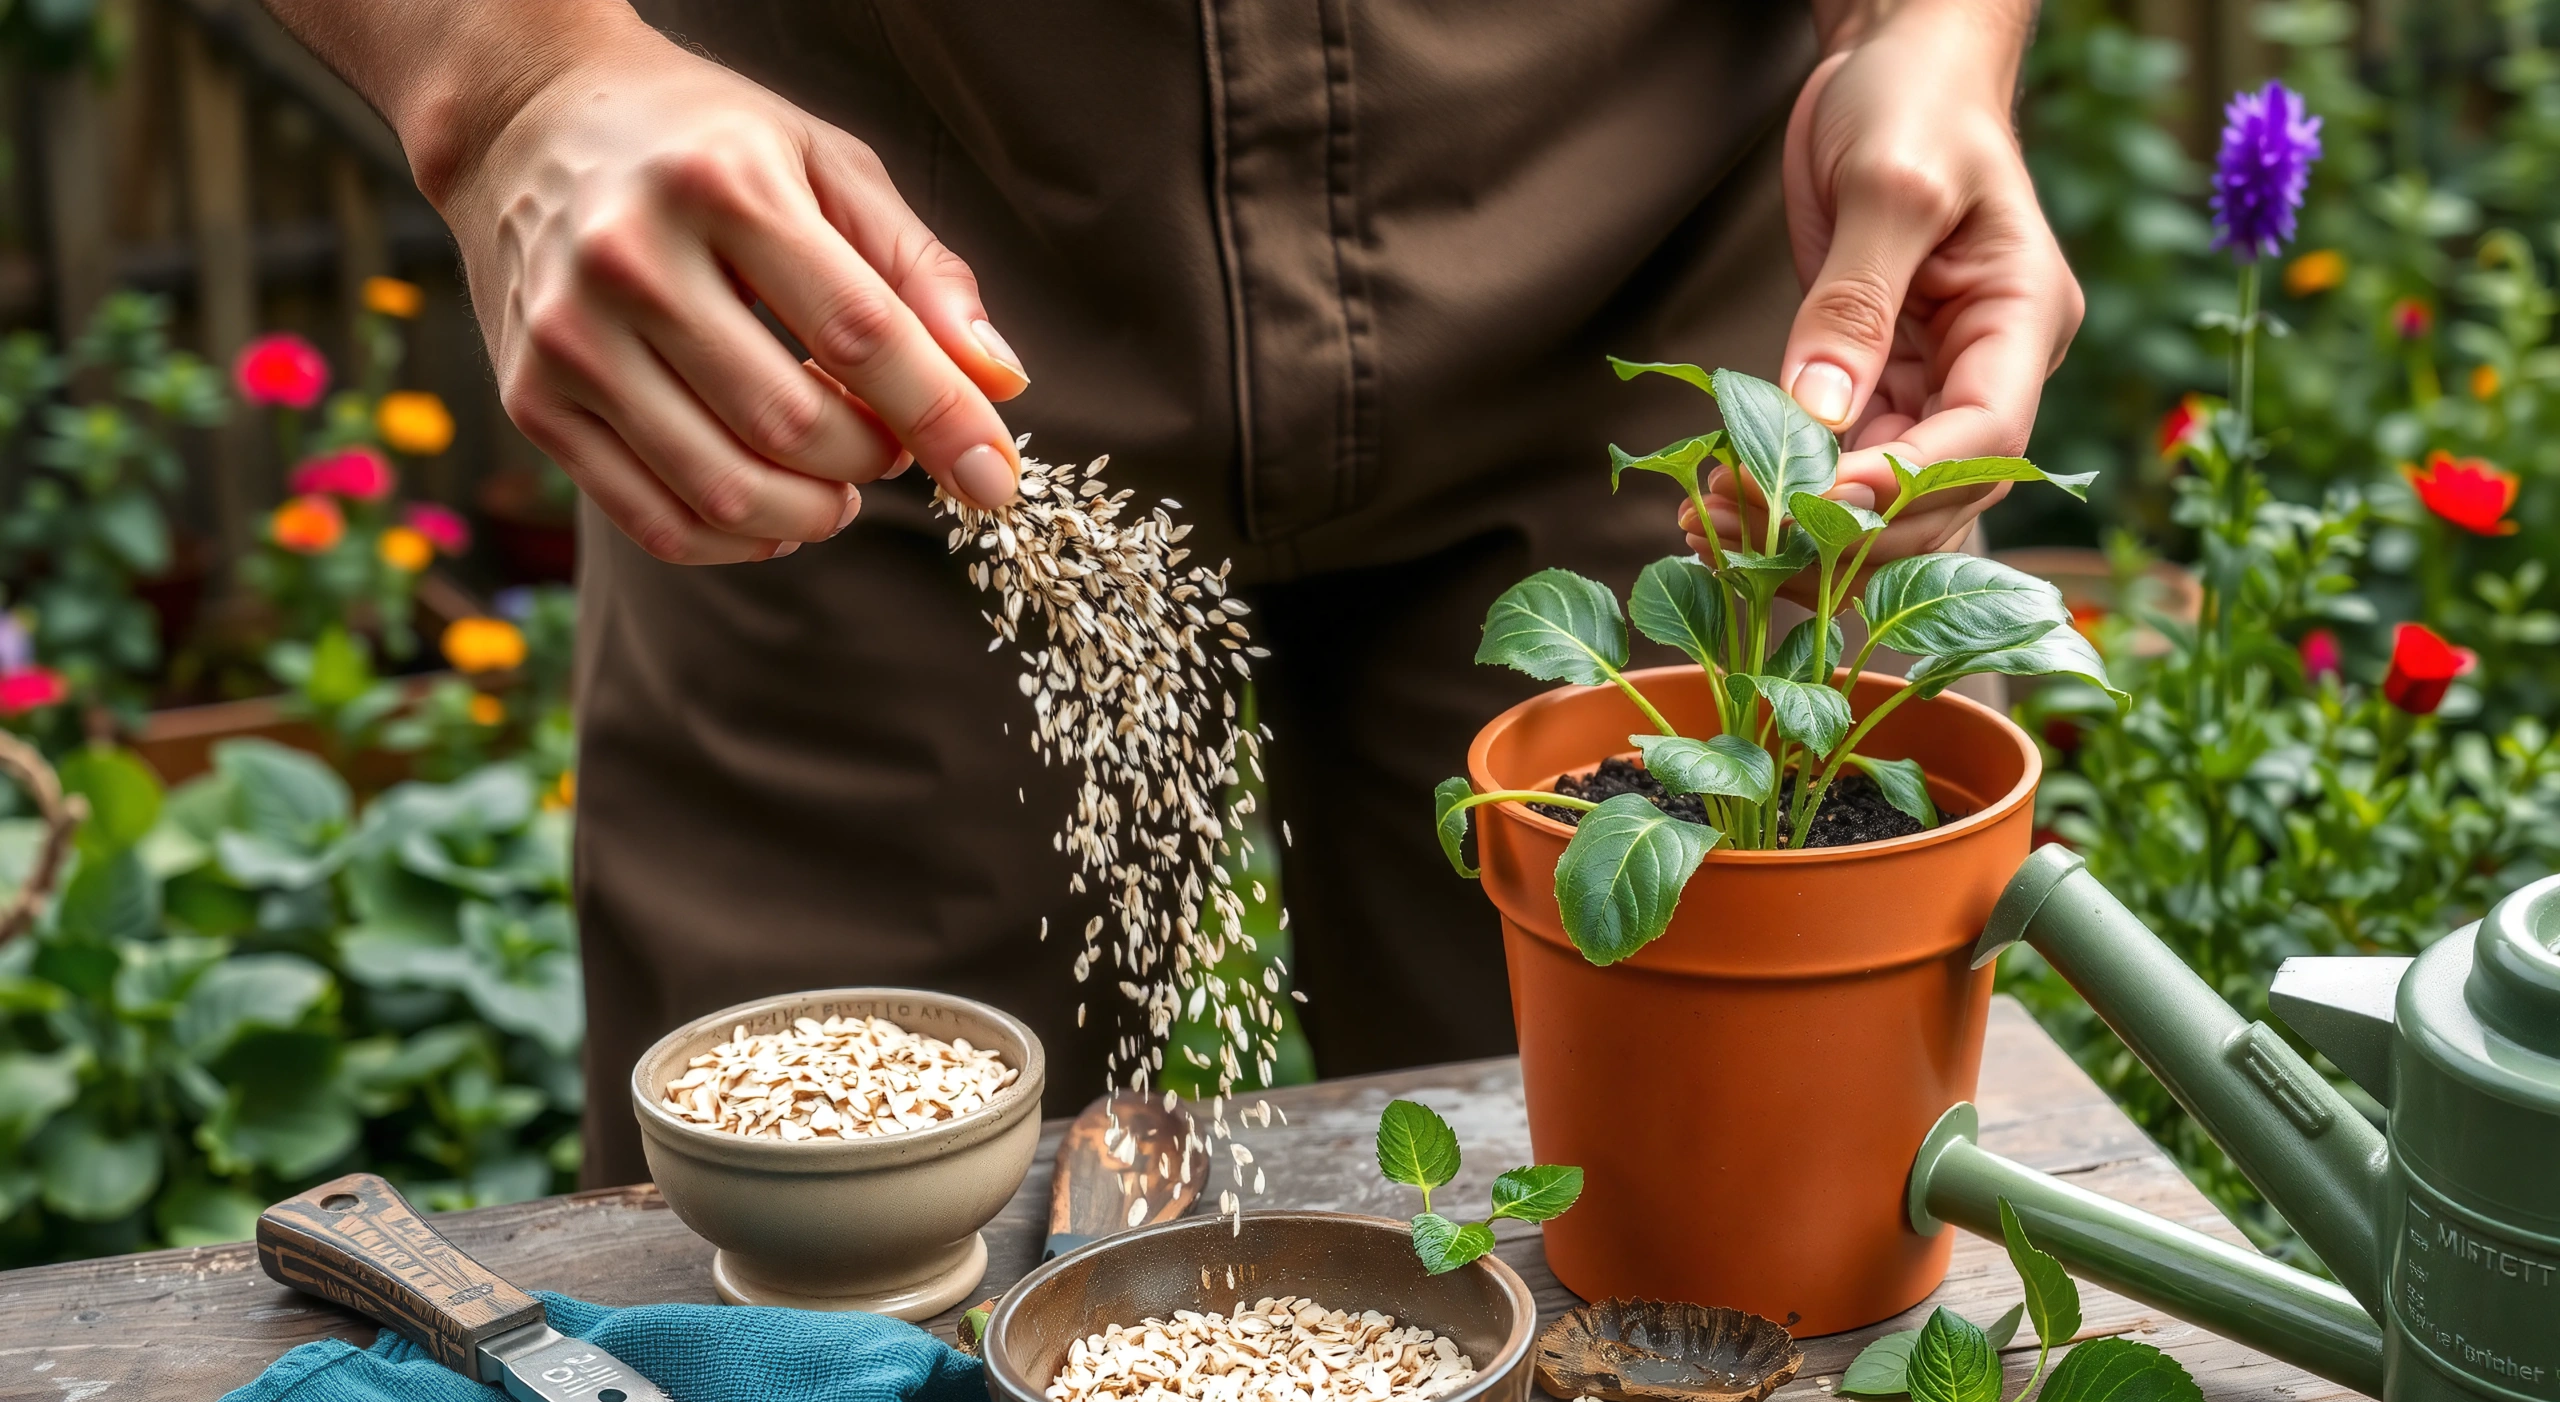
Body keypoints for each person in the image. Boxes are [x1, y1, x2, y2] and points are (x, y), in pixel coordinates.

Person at [267, 0, 2081, 1186]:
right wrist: (510, 72)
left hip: (1688, 260)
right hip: (847, 300)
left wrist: (1939, 29)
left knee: (1774, 1246)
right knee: (808, 1335)